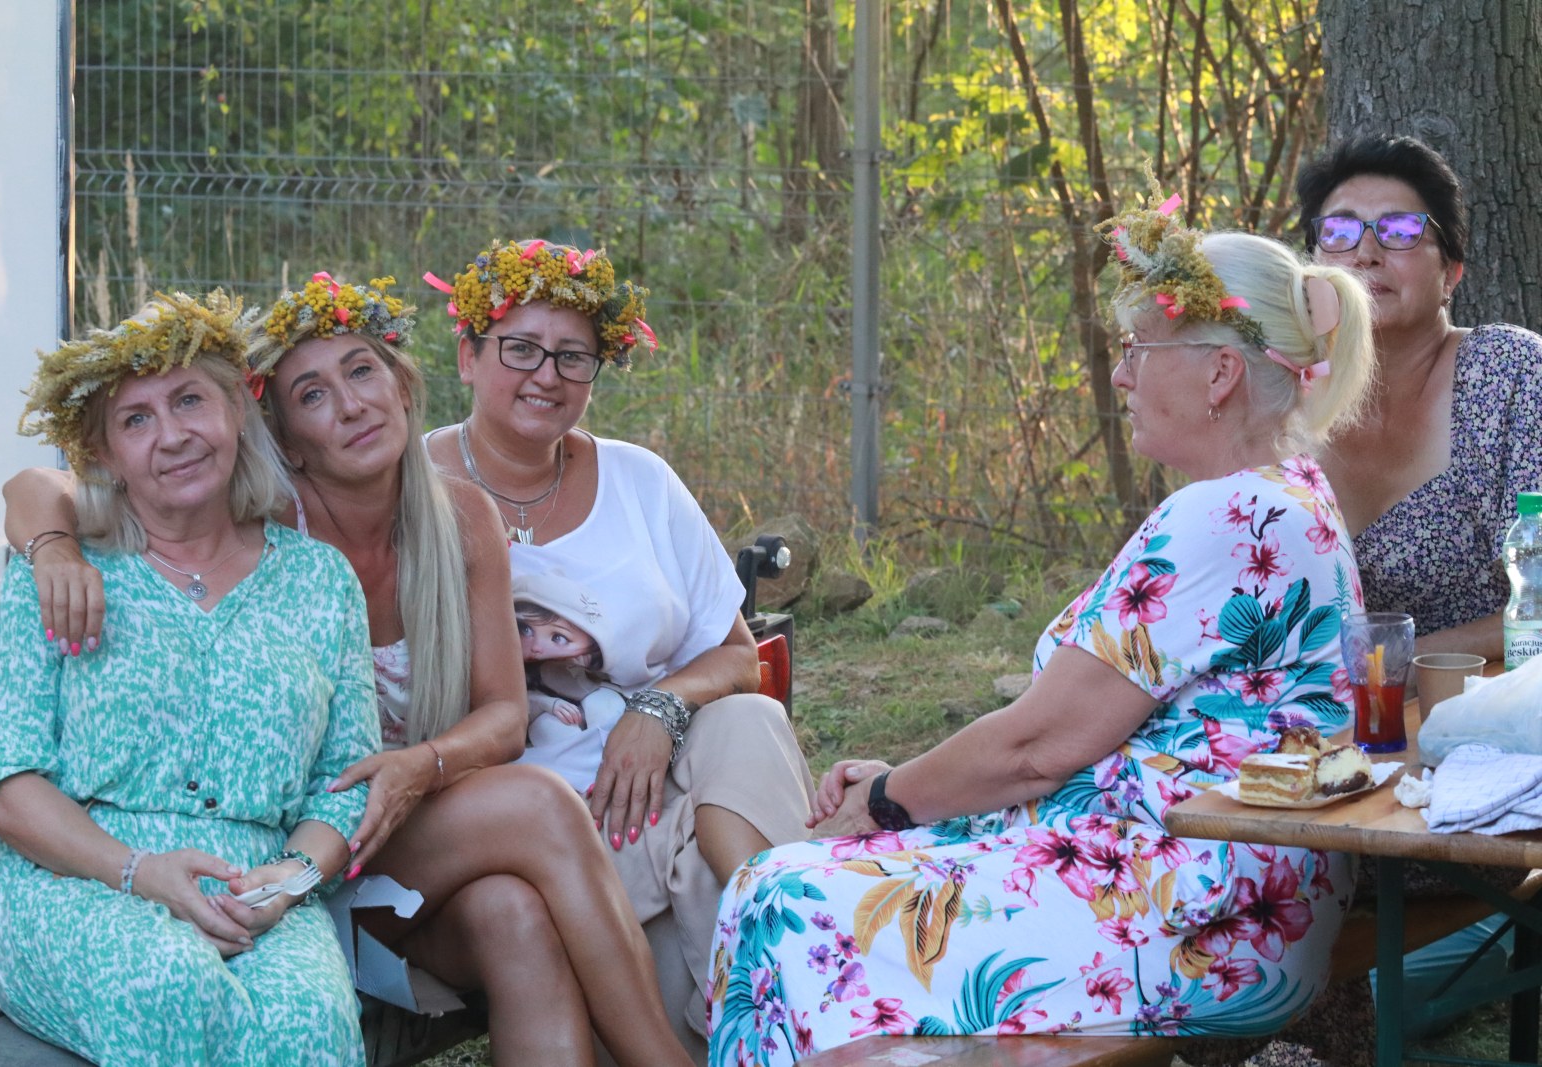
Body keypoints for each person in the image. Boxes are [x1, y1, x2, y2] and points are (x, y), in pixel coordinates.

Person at [704, 194, 1377, 1064]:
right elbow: (1083, 731)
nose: (1122, 376)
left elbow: (1035, 745)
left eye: (1139, 350)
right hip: (1206, 880)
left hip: (1200, 914)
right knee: (817, 905)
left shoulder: (1228, 513)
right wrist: (905, 784)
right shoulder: (1289, 490)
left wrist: (883, 800)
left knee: (781, 893)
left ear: (1219, 373)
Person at [4, 274, 695, 1067]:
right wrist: (51, 547)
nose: (353, 404)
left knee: (515, 914)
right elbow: (38, 484)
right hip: (307, 835)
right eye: (314, 394)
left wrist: (419, 765)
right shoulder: (266, 524)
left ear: (402, 386)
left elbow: (505, 717)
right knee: (539, 807)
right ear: (286, 438)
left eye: (363, 372)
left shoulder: (461, 517)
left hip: (397, 816)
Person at [423, 238, 818, 1060]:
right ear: (466, 354)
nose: (547, 375)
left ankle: (786, 974)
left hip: (666, 782)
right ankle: (776, 1017)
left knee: (747, 721)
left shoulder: (639, 480)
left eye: (574, 357)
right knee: (695, 895)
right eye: (521, 348)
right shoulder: (409, 483)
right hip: (529, 827)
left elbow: (739, 652)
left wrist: (659, 705)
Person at [0, 291, 379, 1064]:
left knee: (311, 1021)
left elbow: (345, 780)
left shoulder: (319, 580)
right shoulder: (62, 571)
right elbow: (0, 776)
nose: (173, 434)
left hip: (256, 889)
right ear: (105, 455)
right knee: (170, 984)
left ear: (236, 413)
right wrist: (140, 871)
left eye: (189, 400)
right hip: (81, 877)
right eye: (137, 418)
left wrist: (288, 879)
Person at [1298, 134, 1542, 658]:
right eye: (1339, 232)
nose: (1365, 253)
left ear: (1451, 273)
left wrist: (1395, 666)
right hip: (1318, 725)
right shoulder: (1281, 398)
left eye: (1400, 231)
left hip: (1497, 710)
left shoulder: (1510, 374)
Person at [512, 570, 633, 795]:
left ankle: (614, 766)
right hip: (547, 716)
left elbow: (597, 686)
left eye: (559, 638)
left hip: (595, 708)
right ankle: (585, 779)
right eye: (525, 630)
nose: (537, 647)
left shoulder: (578, 667)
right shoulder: (518, 671)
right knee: (549, 728)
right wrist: (548, 704)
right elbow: (517, 703)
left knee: (604, 707)